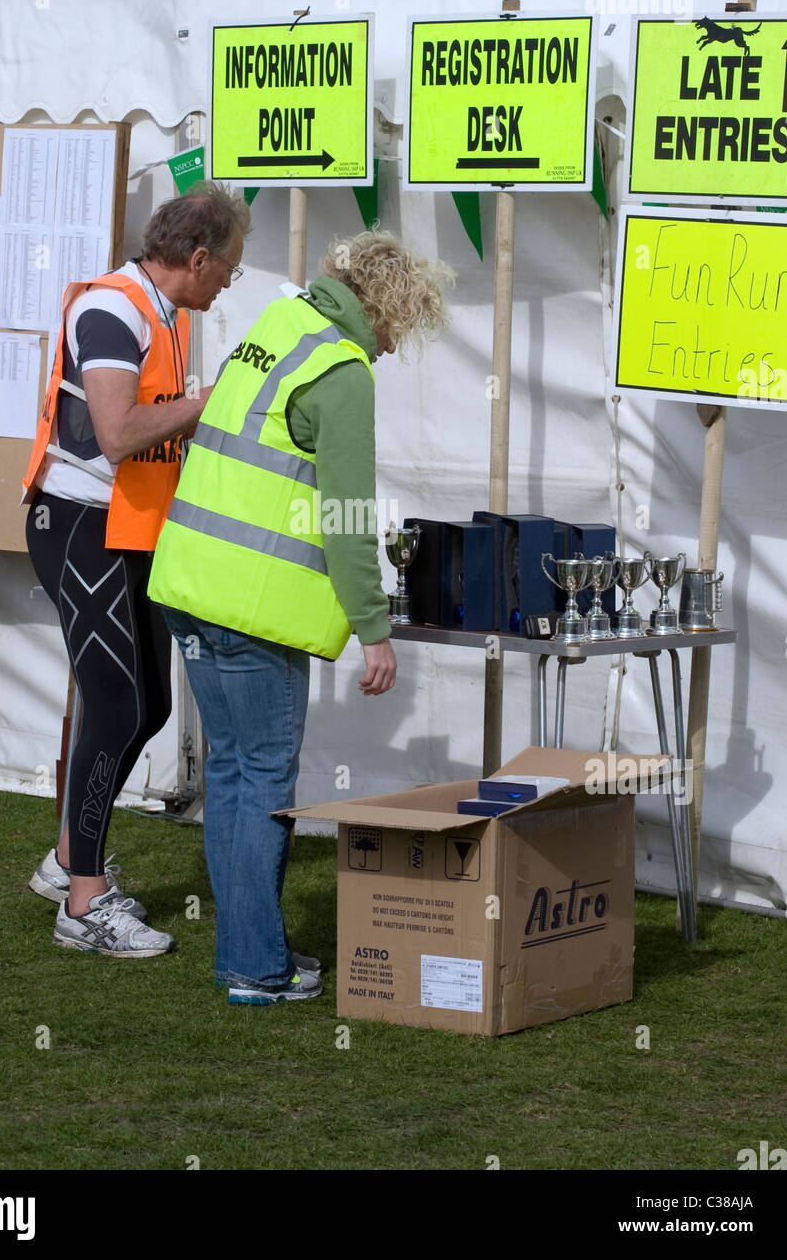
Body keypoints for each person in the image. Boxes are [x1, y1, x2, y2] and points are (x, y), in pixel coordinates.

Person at [147, 229, 453, 1001]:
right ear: (379, 306)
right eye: (396, 327)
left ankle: (244, 955)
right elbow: (347, 515)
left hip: (189, 587)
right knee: (263, 783)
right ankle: (256, 968)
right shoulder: (342, 372)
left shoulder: (275, 327)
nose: (390, 346)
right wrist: (373, 630)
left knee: (230, 776)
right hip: (253, 610)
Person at [23, 181, 251, 957]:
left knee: (148, 707)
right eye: (230, 268)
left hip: (133, 527)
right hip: (80, 525)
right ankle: (83, 901)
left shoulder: (164, 313)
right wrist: (213, 402)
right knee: (117, 706)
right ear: (196, 258)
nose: (229, 282)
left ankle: (65, 862)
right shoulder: (113, 307)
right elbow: (119, 434)